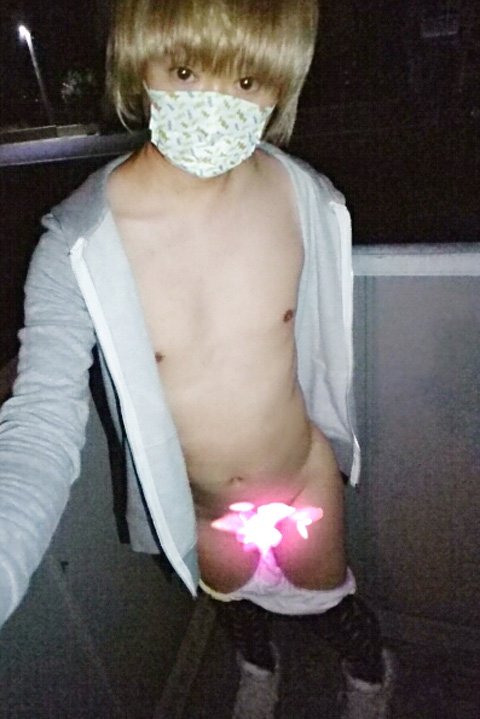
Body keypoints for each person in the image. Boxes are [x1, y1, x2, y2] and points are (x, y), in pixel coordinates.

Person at [0, 1, 394, 717]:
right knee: (237, 612)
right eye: (185, 71)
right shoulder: (76, 248)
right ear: (138, 64)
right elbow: (39, 424)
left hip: (304, 484)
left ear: (281, 85)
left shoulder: (308, 199)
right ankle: (257, 671)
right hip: (202, 511)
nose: (215, 103)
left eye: (246, 80)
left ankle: (372, 677)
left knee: (337, 610)